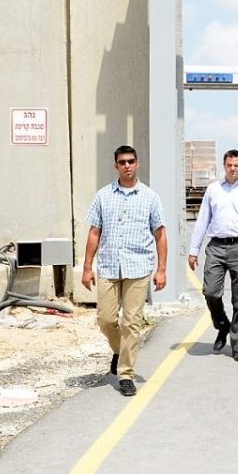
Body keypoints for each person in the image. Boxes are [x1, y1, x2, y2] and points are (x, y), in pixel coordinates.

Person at [80, 145, 167, 397]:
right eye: (122, 162)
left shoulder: (150, 197)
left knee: (132, 322)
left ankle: (126, 373)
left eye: (131, 161)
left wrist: (161, 269)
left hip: (138, 267)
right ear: (116, 166)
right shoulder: (103, 196)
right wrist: (87, 267)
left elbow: (160, 234)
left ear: (137, 164)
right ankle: (120, 350)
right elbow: (94, 232)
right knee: (106, 319)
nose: (127, 165)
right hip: (108, 266)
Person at [188, 150, 238, 362]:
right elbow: (202, 220)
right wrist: (193, 250)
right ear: (224, 165)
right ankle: (222, 325)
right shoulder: (214, 190)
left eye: (236, 166)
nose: (233, 169)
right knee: (211, 291)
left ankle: (237, 345)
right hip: (217, 247)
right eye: (229, 165)